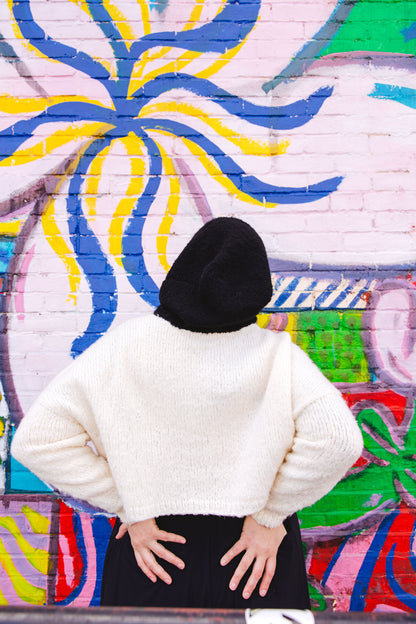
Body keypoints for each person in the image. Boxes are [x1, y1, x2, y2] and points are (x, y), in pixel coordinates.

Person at [11, 217, 363, 609]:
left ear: (184, 273)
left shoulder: (123, 348)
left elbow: (37, 440)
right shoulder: (277, 357)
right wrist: (269, 517)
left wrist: (130, 504)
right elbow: (338, 440)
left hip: (153, 546)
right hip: (253, 552)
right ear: (254, 291)